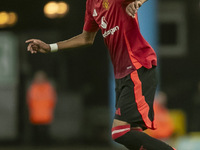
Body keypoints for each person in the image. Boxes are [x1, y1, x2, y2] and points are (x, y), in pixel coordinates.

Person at [26, 0, 175, 149]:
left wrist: (138, 2)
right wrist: (50, 47)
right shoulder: (91, 5)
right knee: (131, 133)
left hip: (138, 66)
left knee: (120, 132)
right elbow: (86, 38)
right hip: (122, 75)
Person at [27, 71, 57, 145]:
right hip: (36, 114)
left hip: (46, 114)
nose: (39, 79)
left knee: (45, 133)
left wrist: (50, 109)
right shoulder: (33, 87)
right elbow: (29, 100)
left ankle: (45, 145)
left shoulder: (48, 87)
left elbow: (53, 99)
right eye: (38, 77)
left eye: (41, 77)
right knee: (36, 133)